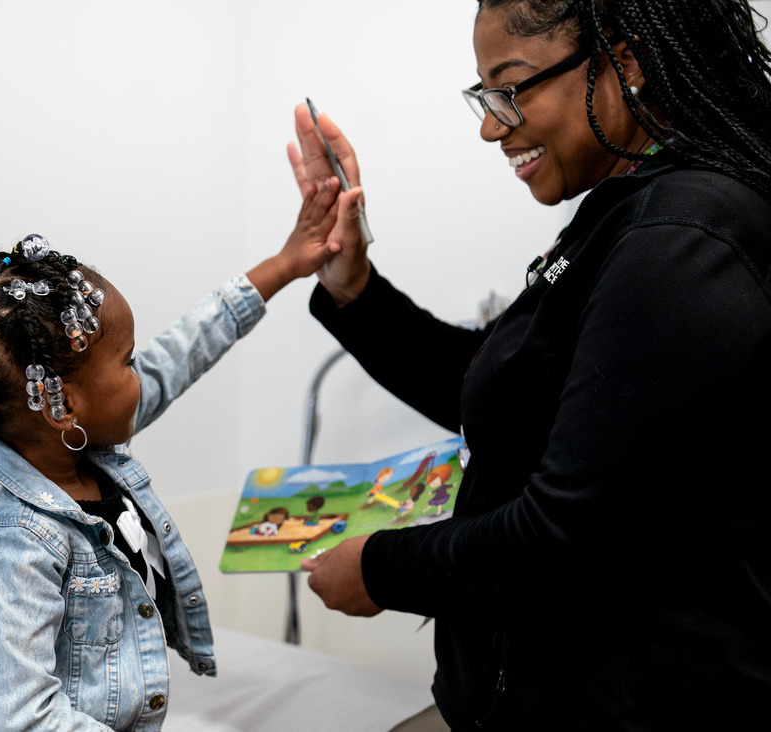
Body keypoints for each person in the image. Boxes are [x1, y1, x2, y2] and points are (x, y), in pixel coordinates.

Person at [294, 1, 771, 729]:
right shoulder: (629, 210)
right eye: (484, 96)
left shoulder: (681, 240)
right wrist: (352, 285)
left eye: (510, 89)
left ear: (627, 61)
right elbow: (499, 388)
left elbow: (564, 537)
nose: (492, 125)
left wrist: (379, 567)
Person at [0, 176, 348, 731]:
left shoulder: (71, 441)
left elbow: (178, 356)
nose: (143, 373)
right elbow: (24, 719)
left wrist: (283, 265)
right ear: (63, 406)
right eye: (128, 361)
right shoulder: (12, 541)